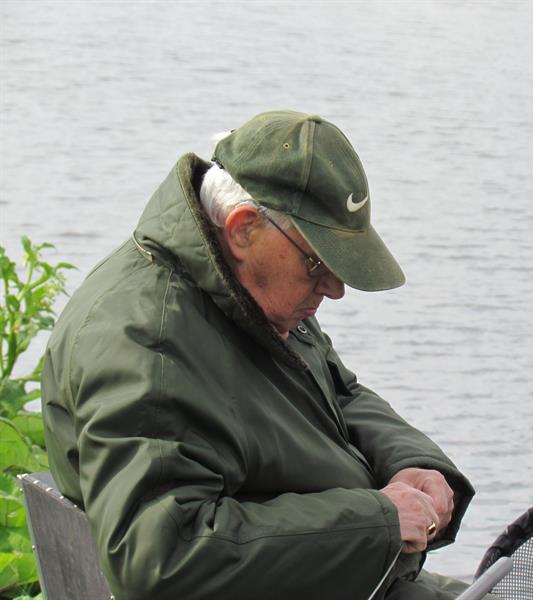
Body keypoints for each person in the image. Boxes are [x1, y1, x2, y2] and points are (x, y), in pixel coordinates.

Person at [41, 110, 484, 599]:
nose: (335, 288)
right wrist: (378, 521)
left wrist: (412, 464)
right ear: (243, 228)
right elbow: (162, 555)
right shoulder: (150, 344)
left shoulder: (250, 288)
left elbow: (339, 394)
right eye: (318, 261)